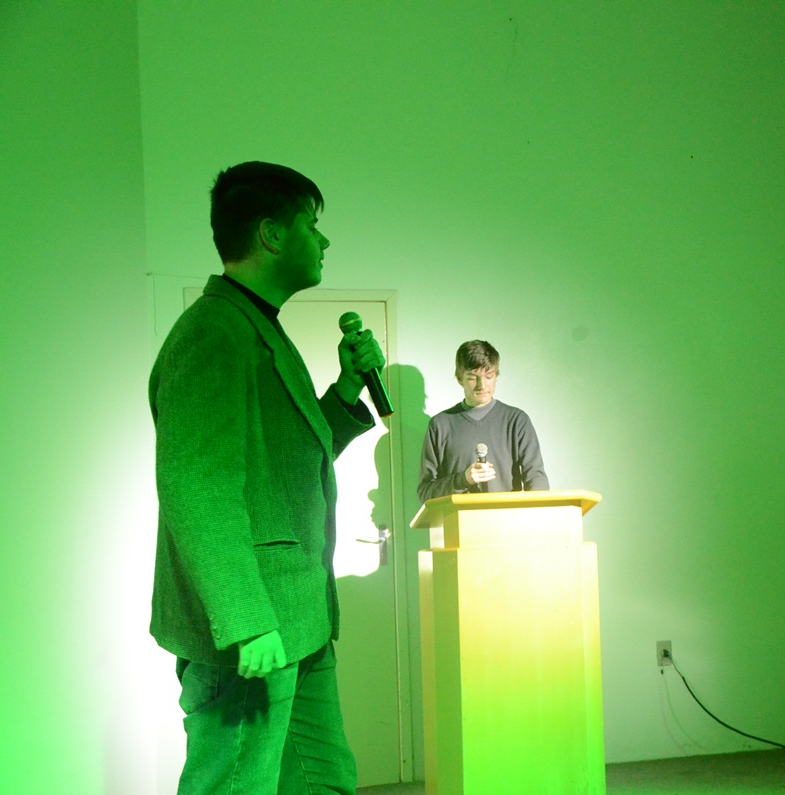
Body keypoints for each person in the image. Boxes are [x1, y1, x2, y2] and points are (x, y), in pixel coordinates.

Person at [149, 162, 385, 795]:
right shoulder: (213, 332)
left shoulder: (259, 329)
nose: (324, 240)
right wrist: (246, 619)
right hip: (254, 627)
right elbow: (197, 486)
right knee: (233, 784)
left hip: (298, 617)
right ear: (272, 234)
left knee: (323, 780)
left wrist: (347, 389)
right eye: (312, 224)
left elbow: (287, 462)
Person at [417, 340, 549, 502]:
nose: (482, 385)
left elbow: (536, 478)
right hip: (458, 517)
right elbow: (425, 492)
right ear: (459, 378)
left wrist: (535, 509)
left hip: (506, 516)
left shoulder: (516, 420)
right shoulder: (440, 425)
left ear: (496, 376)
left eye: (489, 376)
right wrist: (463, 479)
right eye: (472, 378)